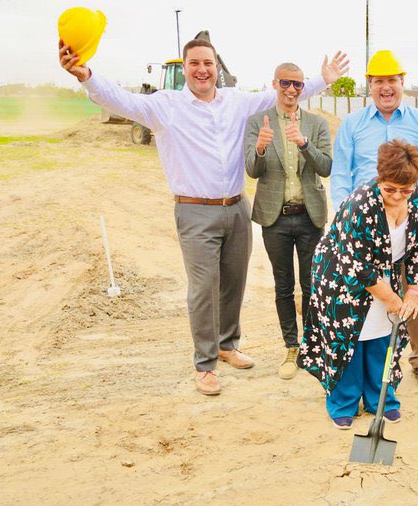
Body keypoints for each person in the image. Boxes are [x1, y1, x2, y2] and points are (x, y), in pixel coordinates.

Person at [58, 38, 348, 396]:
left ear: (216, 67)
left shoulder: (235, 102)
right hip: (194, 210)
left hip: (236, 208)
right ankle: (205, 363)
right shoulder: (165, 106)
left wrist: (323, 79)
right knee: (202, 289)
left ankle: (228, 345)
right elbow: (121, 100)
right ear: (185, 67)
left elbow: (282, 95)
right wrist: (86, 75)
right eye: (194, 63)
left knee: (233, 283)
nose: (202, 70)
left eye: (208, 63)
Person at [330, 50, 418, 388]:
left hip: (409, 219)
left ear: (402, 82)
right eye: (379, 81)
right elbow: (341, 172)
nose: (386, 88)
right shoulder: (353, 124)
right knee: (368, 293)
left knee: (415, 291)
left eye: (391, 81)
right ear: (369, 85)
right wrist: (343, 217)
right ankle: (367, 367)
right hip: (365, 225)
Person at [299, 140, 418, 429]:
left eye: (406, 190)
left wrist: (414, 291)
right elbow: (358, 266)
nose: (398, 196)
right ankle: (344, 401)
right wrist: (392, 299)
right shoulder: (360, 203)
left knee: (382, 336)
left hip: (384, 272)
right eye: (390, 189)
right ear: (379, 178)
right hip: (340, 275)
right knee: (351, 338)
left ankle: (381, 399)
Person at [244, 63, 332, 380]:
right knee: (283, 286)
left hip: (309, 217)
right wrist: (260, 147)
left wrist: (304, 144)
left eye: (297, 84)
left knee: (311, 285)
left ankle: (312, 345)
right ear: (275, 84)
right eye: (285, 83)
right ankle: (291, 347)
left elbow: (326, 168)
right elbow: (252, 170)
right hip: (274, 219)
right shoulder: (258, 122)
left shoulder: (316, 124)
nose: (291, 89)